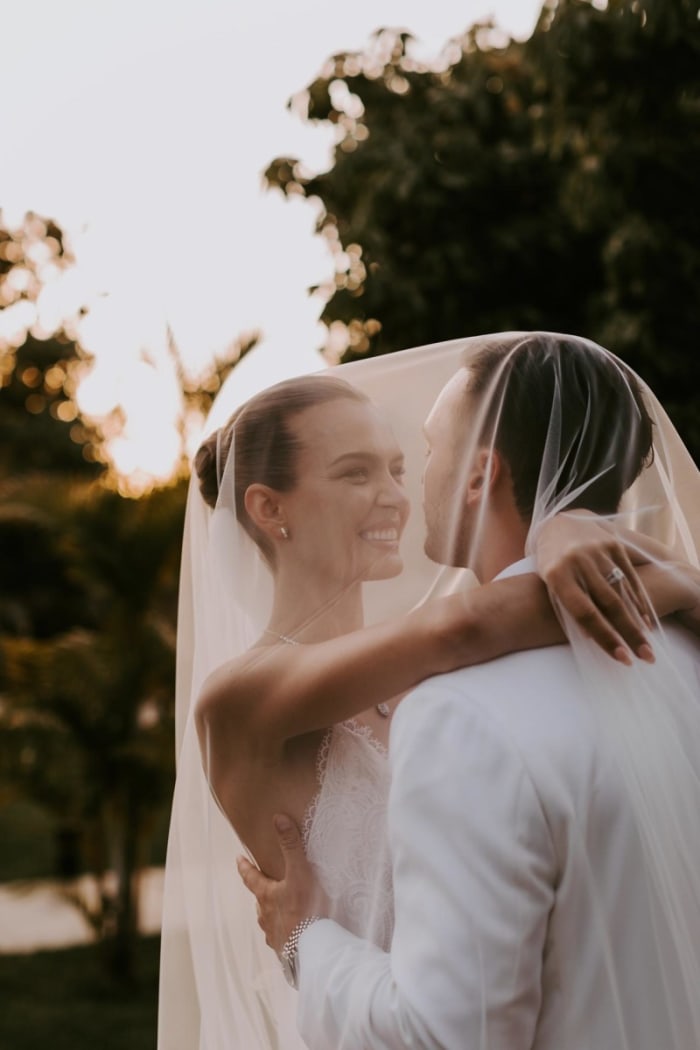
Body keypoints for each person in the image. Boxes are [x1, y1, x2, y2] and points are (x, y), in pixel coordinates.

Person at [158, 335, 698, 1050]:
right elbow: (472, 621)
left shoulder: (421, 662)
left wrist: (565, 526)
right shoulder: (241, 700)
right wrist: (574, 536)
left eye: (399, 466)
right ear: (267, 508)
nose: (395, 495)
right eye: (355, 474)